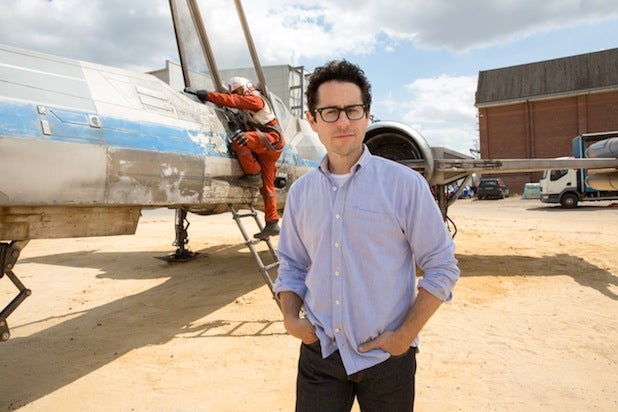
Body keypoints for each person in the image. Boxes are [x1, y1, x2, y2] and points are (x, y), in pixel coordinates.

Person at [273, 60, 460, 411]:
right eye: (330, 112)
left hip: (388, 359)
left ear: (367, 115)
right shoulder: (300, 193)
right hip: (321, 354)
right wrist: (290, 319)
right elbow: (292, 265)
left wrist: (404, 337)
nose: (343, 122)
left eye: (353, 110)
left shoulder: (405, 186)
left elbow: (442, 266)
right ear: (312, 120)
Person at [193, 77, 285, 240]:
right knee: (267, 187)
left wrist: (208, 95)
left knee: (239, 140)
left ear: (244, 88)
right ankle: (272, 223)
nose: (237, 94)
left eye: (238, 91)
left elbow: (234, 101)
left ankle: (254, 175)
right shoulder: (249, 107)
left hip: (271, 139)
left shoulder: (256, 100)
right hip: (269, 146)